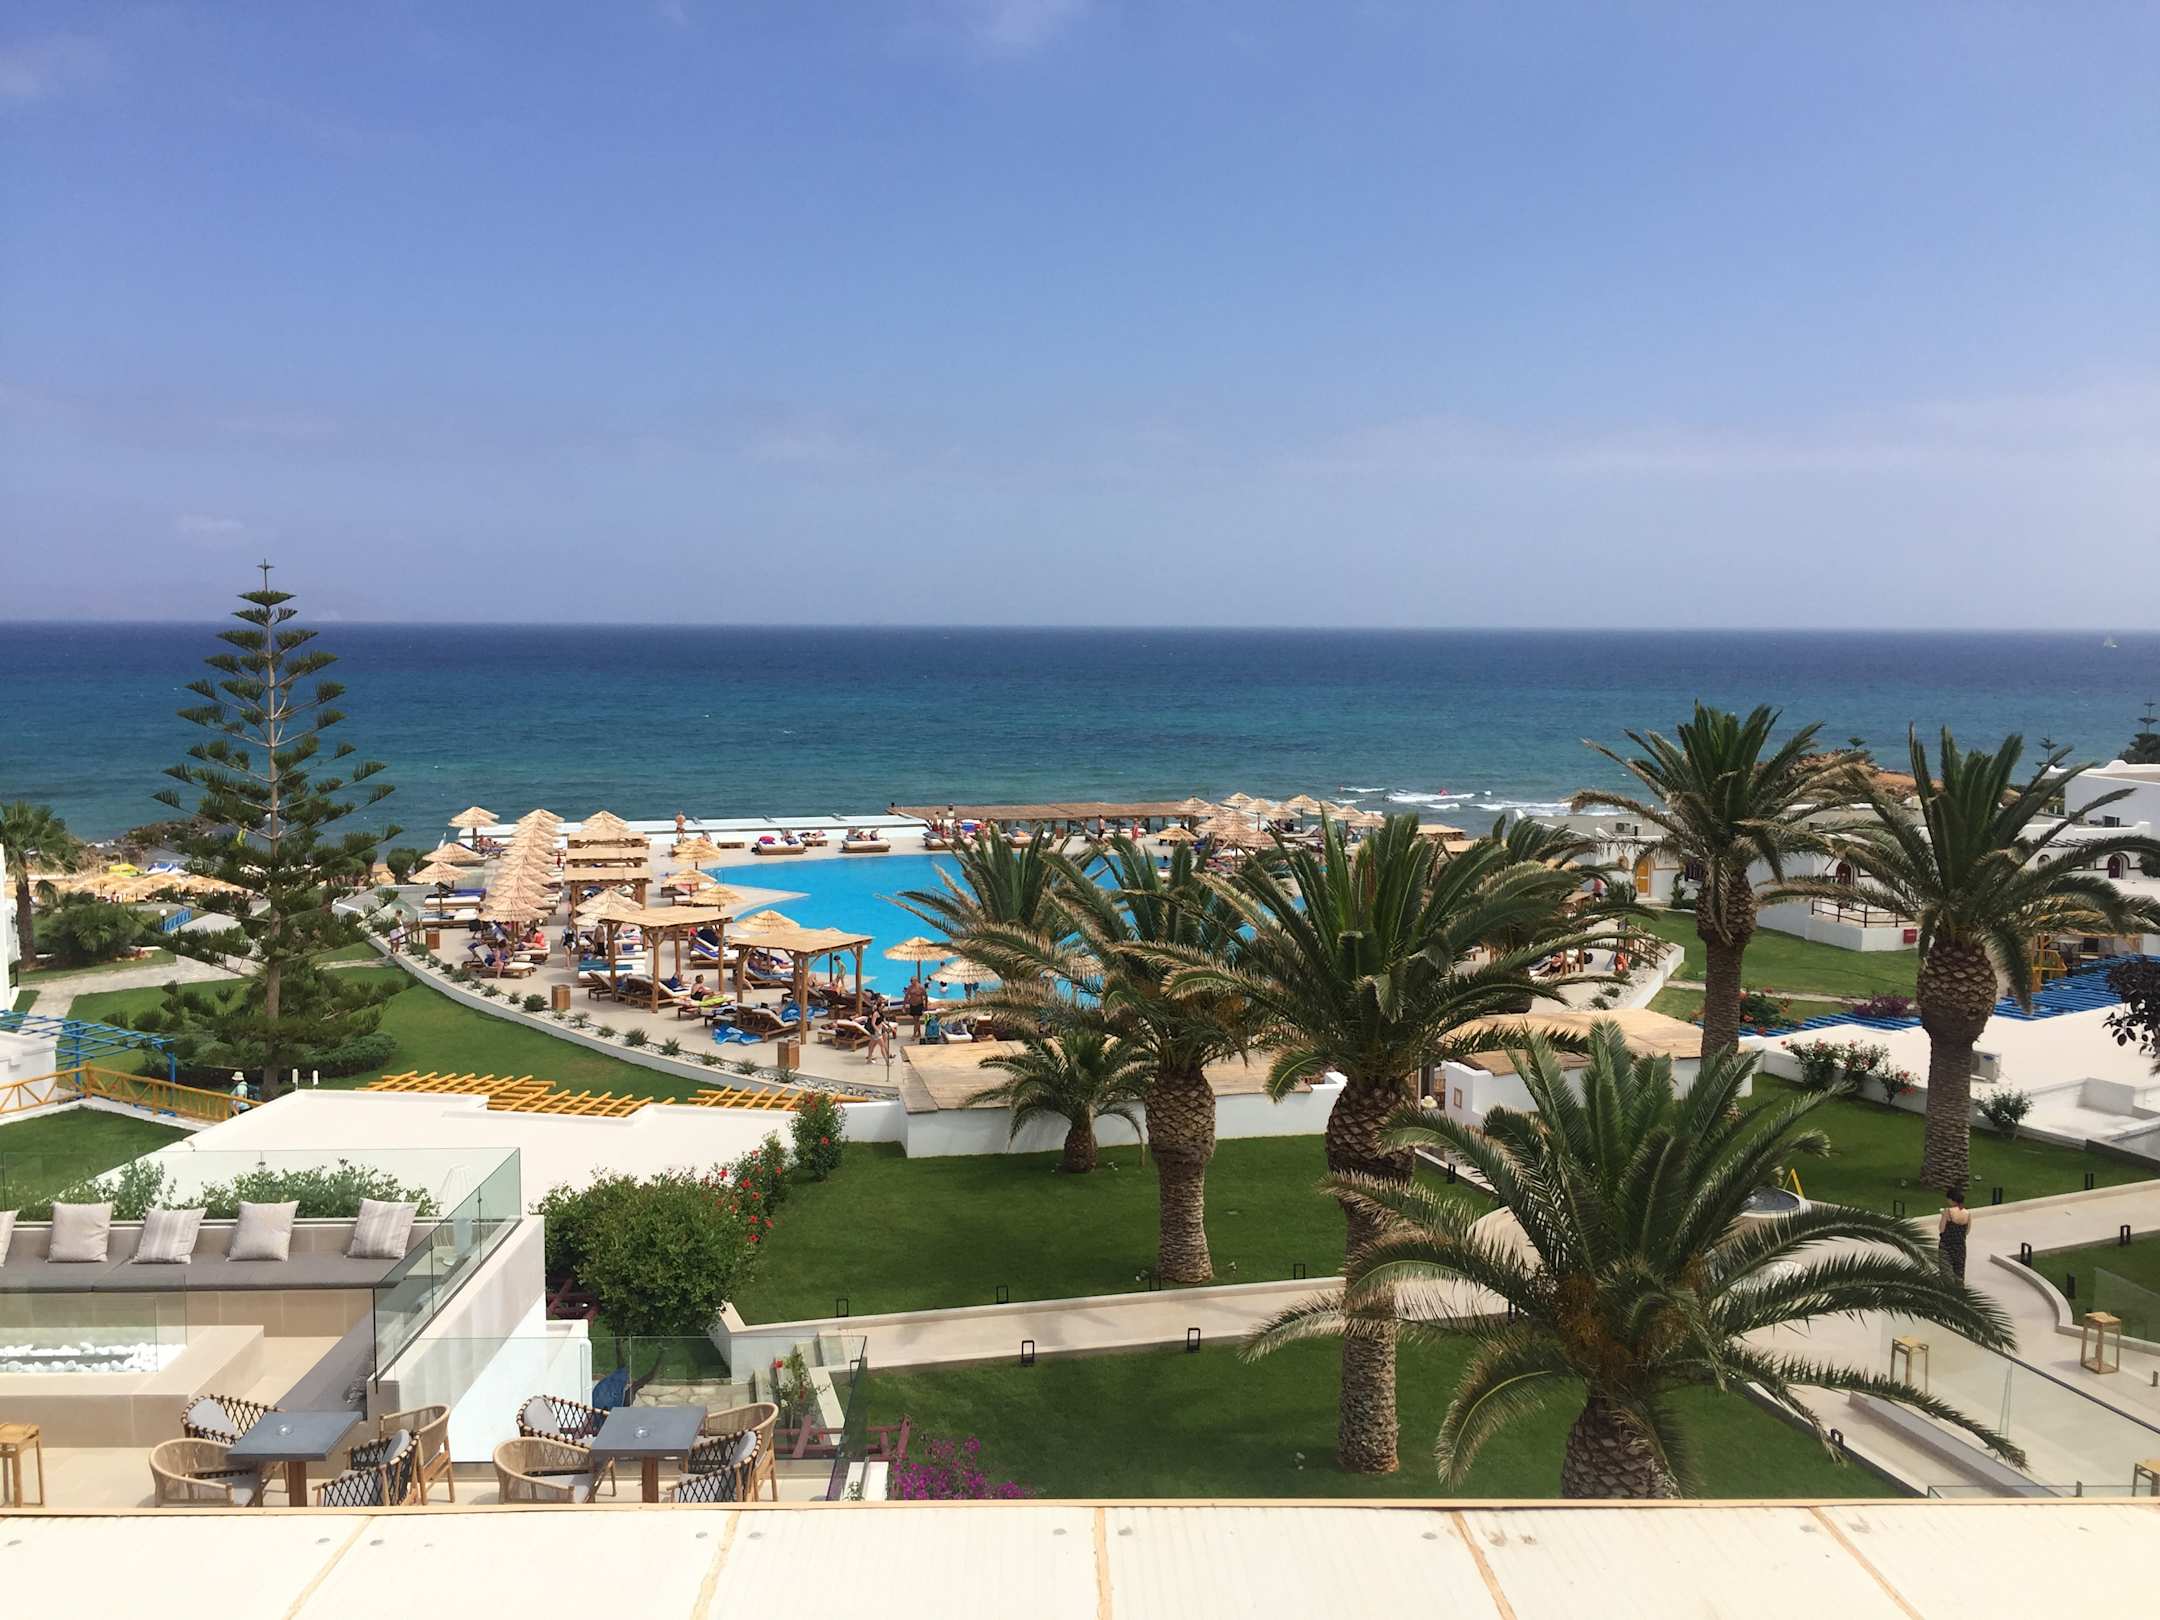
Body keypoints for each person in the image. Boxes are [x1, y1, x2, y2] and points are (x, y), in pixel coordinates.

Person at [1937, 1187, 1971, 1281]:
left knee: (1946, 1275)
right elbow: (1967, 1231)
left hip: (1946, 1246)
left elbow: (1941, 1229)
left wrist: (1943, 1215)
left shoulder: (1947, 1211)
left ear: (1951, 1199)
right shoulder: (1967, 1213)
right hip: (1960, 1247)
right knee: (1959, 1274)